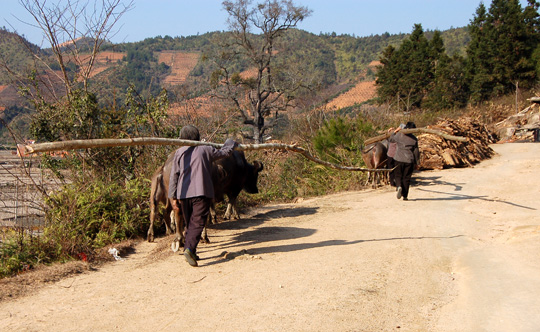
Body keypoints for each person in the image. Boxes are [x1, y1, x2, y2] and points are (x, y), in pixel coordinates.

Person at [168, 125, 238, 267]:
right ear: (197, 137)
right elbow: (225, 152)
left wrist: (172, 197)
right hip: (201, 191)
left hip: (183, 194)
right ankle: (189, 249)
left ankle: (191, 250)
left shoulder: (179, 152)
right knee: (198, 223)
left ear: (182, 138)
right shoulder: (206, 149)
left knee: (190, 223)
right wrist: (231, 142)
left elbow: (174, 176)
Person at [388, 121, 420, 201]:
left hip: (398, 159)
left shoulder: (399, 135)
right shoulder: (414, 139)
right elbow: (416, 152)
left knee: (398, 175)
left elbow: (391, 140)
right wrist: (417, 163)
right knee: (407, 178)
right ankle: (405, 196)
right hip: (409, 160)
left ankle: (399, 186)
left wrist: (394, 132)